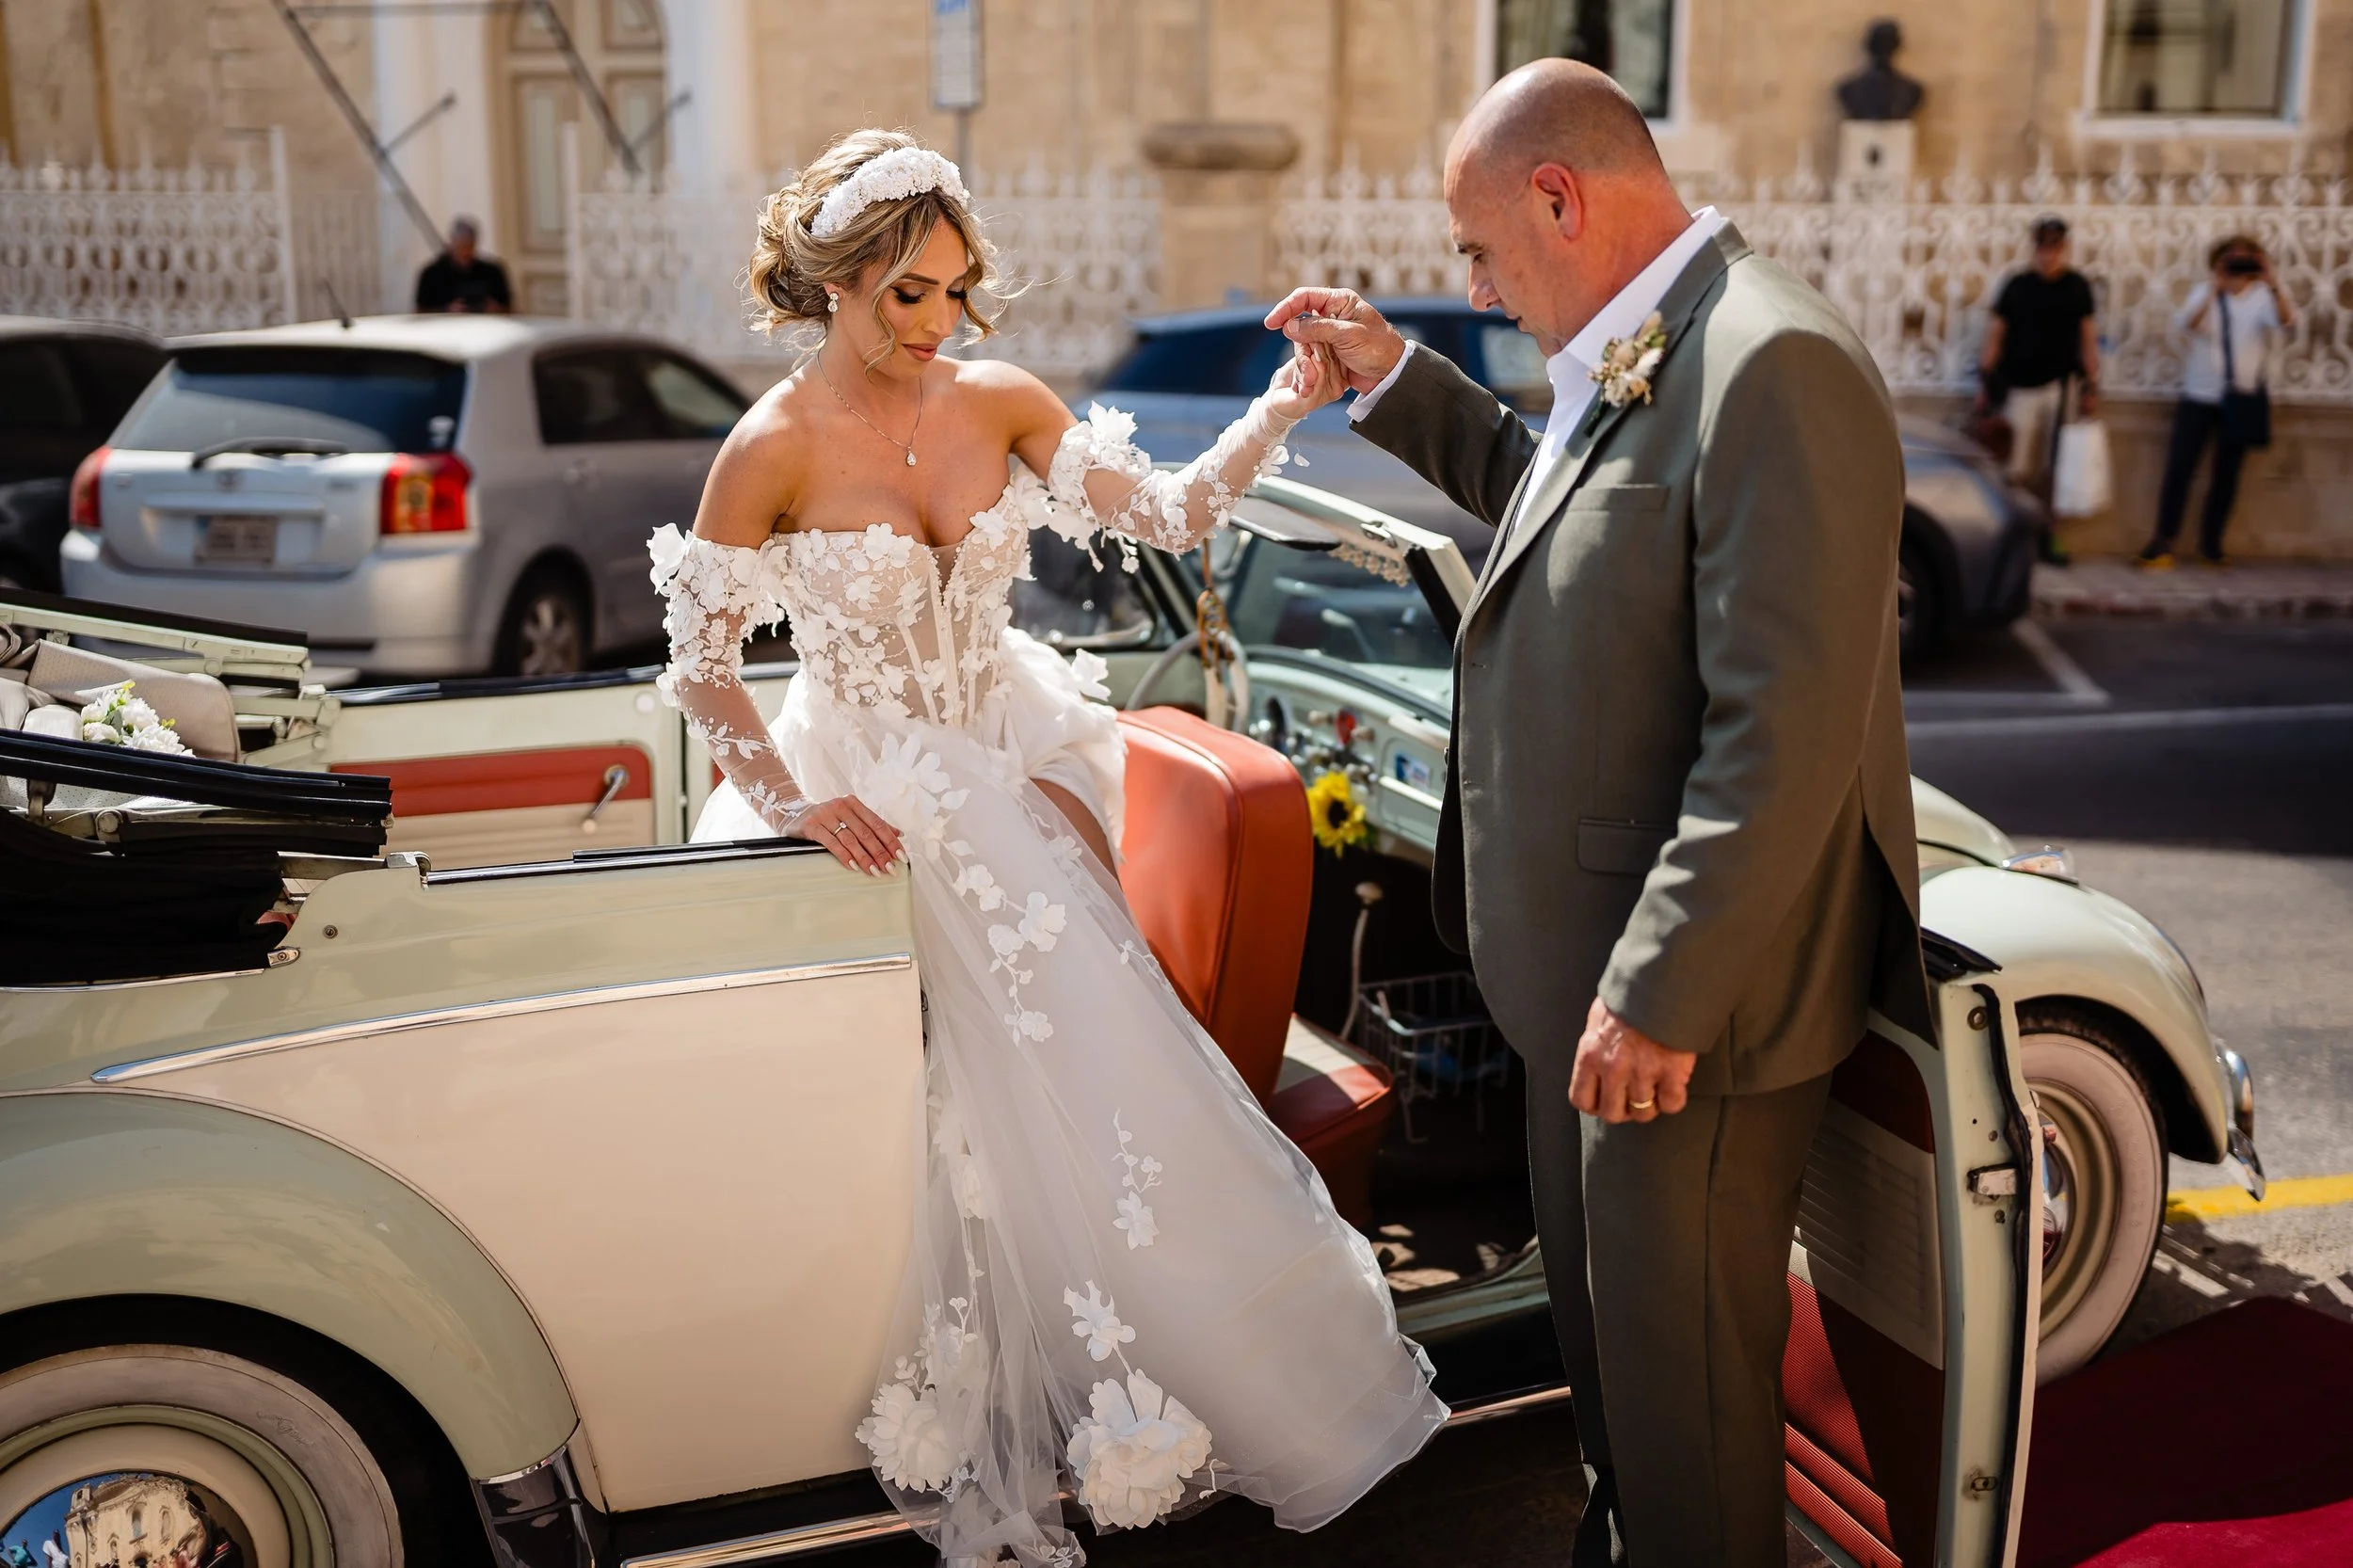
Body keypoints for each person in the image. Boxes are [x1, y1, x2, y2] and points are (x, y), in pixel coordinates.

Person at [648, 129, 1443, 1567]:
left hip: (1005, 771)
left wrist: (1280, 408)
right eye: (908, 293)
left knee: (1111, 1095)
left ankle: (1173, 1397)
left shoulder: (1000, 397)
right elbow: (701, 666)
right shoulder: (764, 448)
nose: (939, 321)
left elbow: (1183, 518)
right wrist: (790, 803)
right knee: (916, 1117)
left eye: (956, 289)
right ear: (834, 282)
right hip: (867, 796)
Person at [1272, 60, 1929, 1567]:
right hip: (1577, 997)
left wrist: (1658, 992)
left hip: (1682, 1021)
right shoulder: (1645, 347)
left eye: (1481, 252)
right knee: (1620, 1379)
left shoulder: (1776, 362)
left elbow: (1785, 730)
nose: (1480, 289)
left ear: (1561, 199)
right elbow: (1554, 514)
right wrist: (1394, 382)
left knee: (1686, 1393)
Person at [2137, 233, 2294, 568]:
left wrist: (2273, 283)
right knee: (2180, 469)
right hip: (2199, 395)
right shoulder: (2204, 293)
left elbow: (2286, 322)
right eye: (2232, 258)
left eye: (2245, 259)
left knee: (2227, 475)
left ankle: (2211, 544)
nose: (2238, 265)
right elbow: (2189, 325)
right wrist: (2214, 289)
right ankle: (2163, 541)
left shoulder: (2264, 297)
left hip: (2239, 400)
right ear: (2219, 261)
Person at [413, 217, 512, 314]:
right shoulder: (432, 274)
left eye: (469, 246)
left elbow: (510, 309)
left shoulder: (492, 272)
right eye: (461, 247)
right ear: (452, 243)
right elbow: (420, 312)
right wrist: (446, 311)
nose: (465, 252)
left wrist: (496, 309)